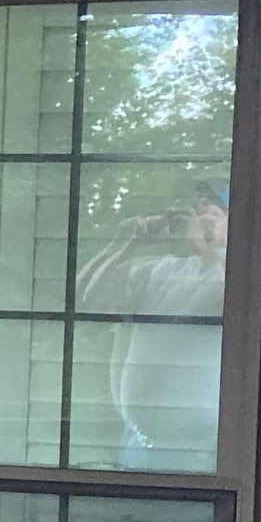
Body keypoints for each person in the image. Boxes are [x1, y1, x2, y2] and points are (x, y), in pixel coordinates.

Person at [75, 183, 226, 471]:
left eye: (209, 211)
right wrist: (126, 243)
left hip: (199, 455)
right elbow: (88, 299)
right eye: (189, 211)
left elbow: (236, 304)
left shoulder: (237, 271)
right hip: (139, 445)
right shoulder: (160, 268)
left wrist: (203, 244)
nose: (196, 219)